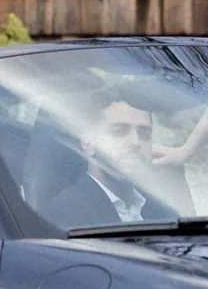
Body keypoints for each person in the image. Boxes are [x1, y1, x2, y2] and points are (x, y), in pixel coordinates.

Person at [43, 91, 180, 230]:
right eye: (119, 132)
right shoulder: (64, 215)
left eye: (144, 134)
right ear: (88, 143)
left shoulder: (164, 211)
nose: (136, 142)